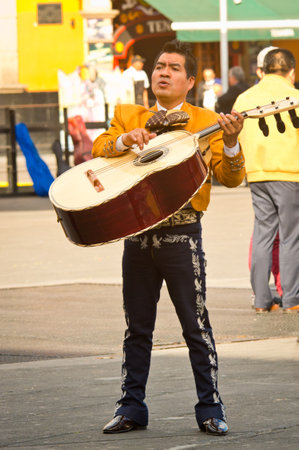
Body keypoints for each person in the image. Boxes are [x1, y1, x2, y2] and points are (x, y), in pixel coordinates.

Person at [92, 39, 245, 436]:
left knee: (195, 326)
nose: (163, 72)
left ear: (189, 81)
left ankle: (210, 408)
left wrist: (230, 142)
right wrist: (127, 140)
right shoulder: (129, 115)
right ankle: (131, 408)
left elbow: (230, 179)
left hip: (182, 233)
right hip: (137, 235)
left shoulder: (206, 120)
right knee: (137, 327)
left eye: (174, 68)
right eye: (160, 65)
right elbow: (100, 147)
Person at [233, 48, 299, 314]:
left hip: (258, 175)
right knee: (291, 238)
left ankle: (261, 300)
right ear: (291, 71)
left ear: (264, 69)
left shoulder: (244, 98)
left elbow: (235, 137)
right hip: (290, 174)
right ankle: (292, 299)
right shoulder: (295, 97)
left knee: (262, 234)